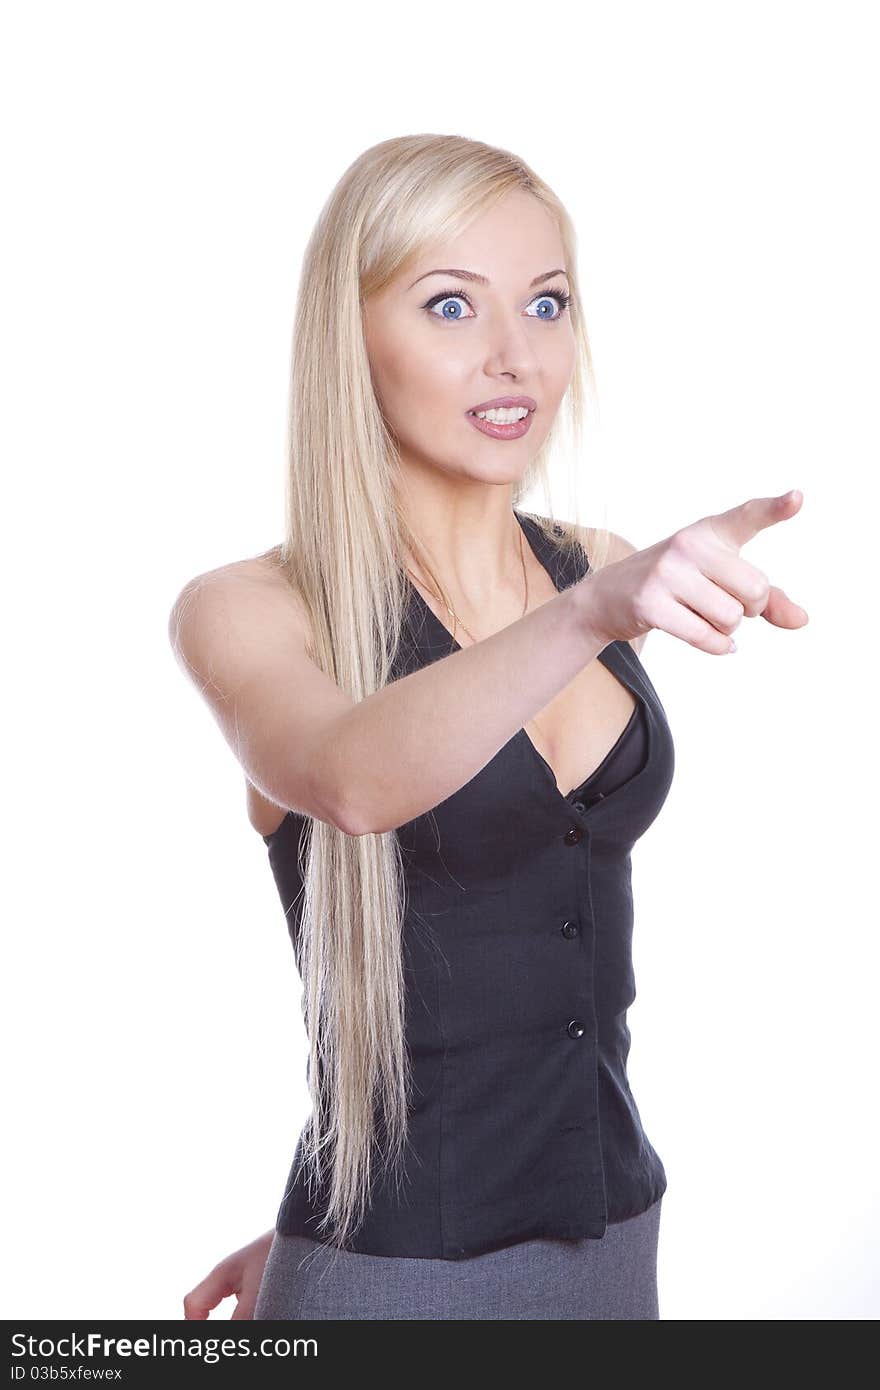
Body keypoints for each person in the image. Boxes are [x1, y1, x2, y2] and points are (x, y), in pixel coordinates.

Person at [169, 134, 808, 1321]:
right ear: (348, 339)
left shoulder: (591, 569)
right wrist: (345, 1268)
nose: (515, 356)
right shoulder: (252, 611)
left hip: (614, 1236)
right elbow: (352, 778)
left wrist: (589, 600)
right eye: (450, 305)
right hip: (396, 1269)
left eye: (547, 303)